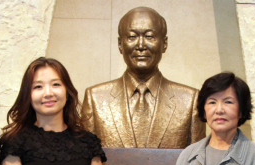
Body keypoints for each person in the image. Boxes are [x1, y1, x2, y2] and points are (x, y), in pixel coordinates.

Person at [81, 6, 205, 149]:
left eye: (149, 36)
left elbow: (197, 164)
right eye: (132, 37)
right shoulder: (95, 98)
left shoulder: (190, 100)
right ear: (120, 44)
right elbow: (86, 161)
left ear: (164, 44)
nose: (140, 45)